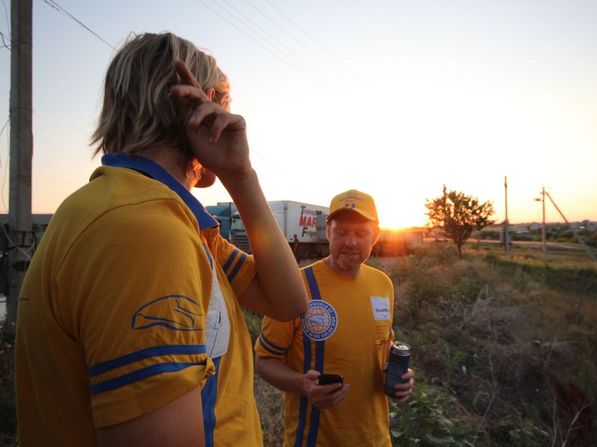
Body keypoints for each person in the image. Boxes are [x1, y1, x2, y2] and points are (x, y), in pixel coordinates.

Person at [15, 32, 308, 447]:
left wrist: (241, 177)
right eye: (224, 103)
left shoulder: (164, 218)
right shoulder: (143, 232)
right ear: (202, 107)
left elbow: (288, 302)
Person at [255, 189, 415, 446]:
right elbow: (264, 361)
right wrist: (303, 385)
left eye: (361, 233)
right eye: (341, 232)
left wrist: (401, 377)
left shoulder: (382, 284)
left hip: (375, 439)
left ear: (375, 236)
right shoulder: (296, 285)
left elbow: (380, 349)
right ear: (328, 232)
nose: (350, 242)